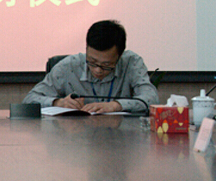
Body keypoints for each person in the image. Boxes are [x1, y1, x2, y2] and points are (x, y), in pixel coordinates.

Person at [23, 19, 159, 114]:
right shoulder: (69, 66)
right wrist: (58, 103)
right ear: (86, 49)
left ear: (119, 56)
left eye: (106, 65)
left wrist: (116, 106)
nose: (97, 70)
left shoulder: (131, 63)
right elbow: (29, 100)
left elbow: (151, 99)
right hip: (75, 139)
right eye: (92, 62)